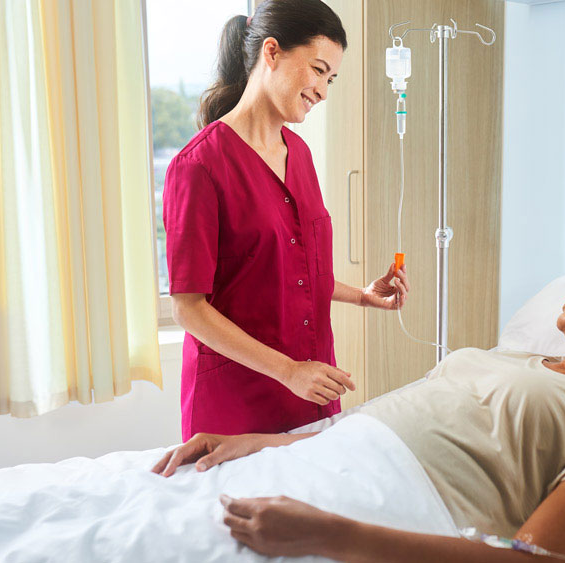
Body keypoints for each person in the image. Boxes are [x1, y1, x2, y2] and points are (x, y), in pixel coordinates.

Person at [153, 249, 565, 561]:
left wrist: (329, 534)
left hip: (373, 507)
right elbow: (384, 421)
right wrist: (268, 442)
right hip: (317, 461)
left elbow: (534, 560)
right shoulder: (509, 360)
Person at [162, 0, 410, 441]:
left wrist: (363, 296)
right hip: (238, 401)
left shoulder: (300, 155)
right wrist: (288, 371)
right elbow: (189, 308)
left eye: (331, 78)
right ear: (272, 53)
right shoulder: (199, 165)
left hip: (311, 388)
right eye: (317, 70)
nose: (323, 91)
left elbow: (291, 271)